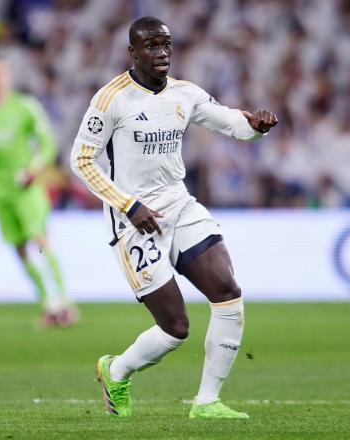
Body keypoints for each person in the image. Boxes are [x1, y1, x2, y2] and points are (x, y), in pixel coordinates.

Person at [71, 16, 277, 419]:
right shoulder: (111, 98)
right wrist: (127, 204)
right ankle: (115, 371)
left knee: (227, 291)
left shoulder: (186, 93)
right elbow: (81, 160)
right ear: (133, 52)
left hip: (179, 205)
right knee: (175, 328)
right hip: (132, 219)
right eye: (152, 46)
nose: (162, 52)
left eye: (166, 44)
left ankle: (207, 402)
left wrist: (256, 126)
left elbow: (231, 122)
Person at [0, 55, 78, 327]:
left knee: (40, 240)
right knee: (19, 248)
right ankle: (48, 303)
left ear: (8, 77)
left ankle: (65, 302)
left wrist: (34, 169)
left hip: (25, 185)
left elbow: (47, 144)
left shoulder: (25, 107)